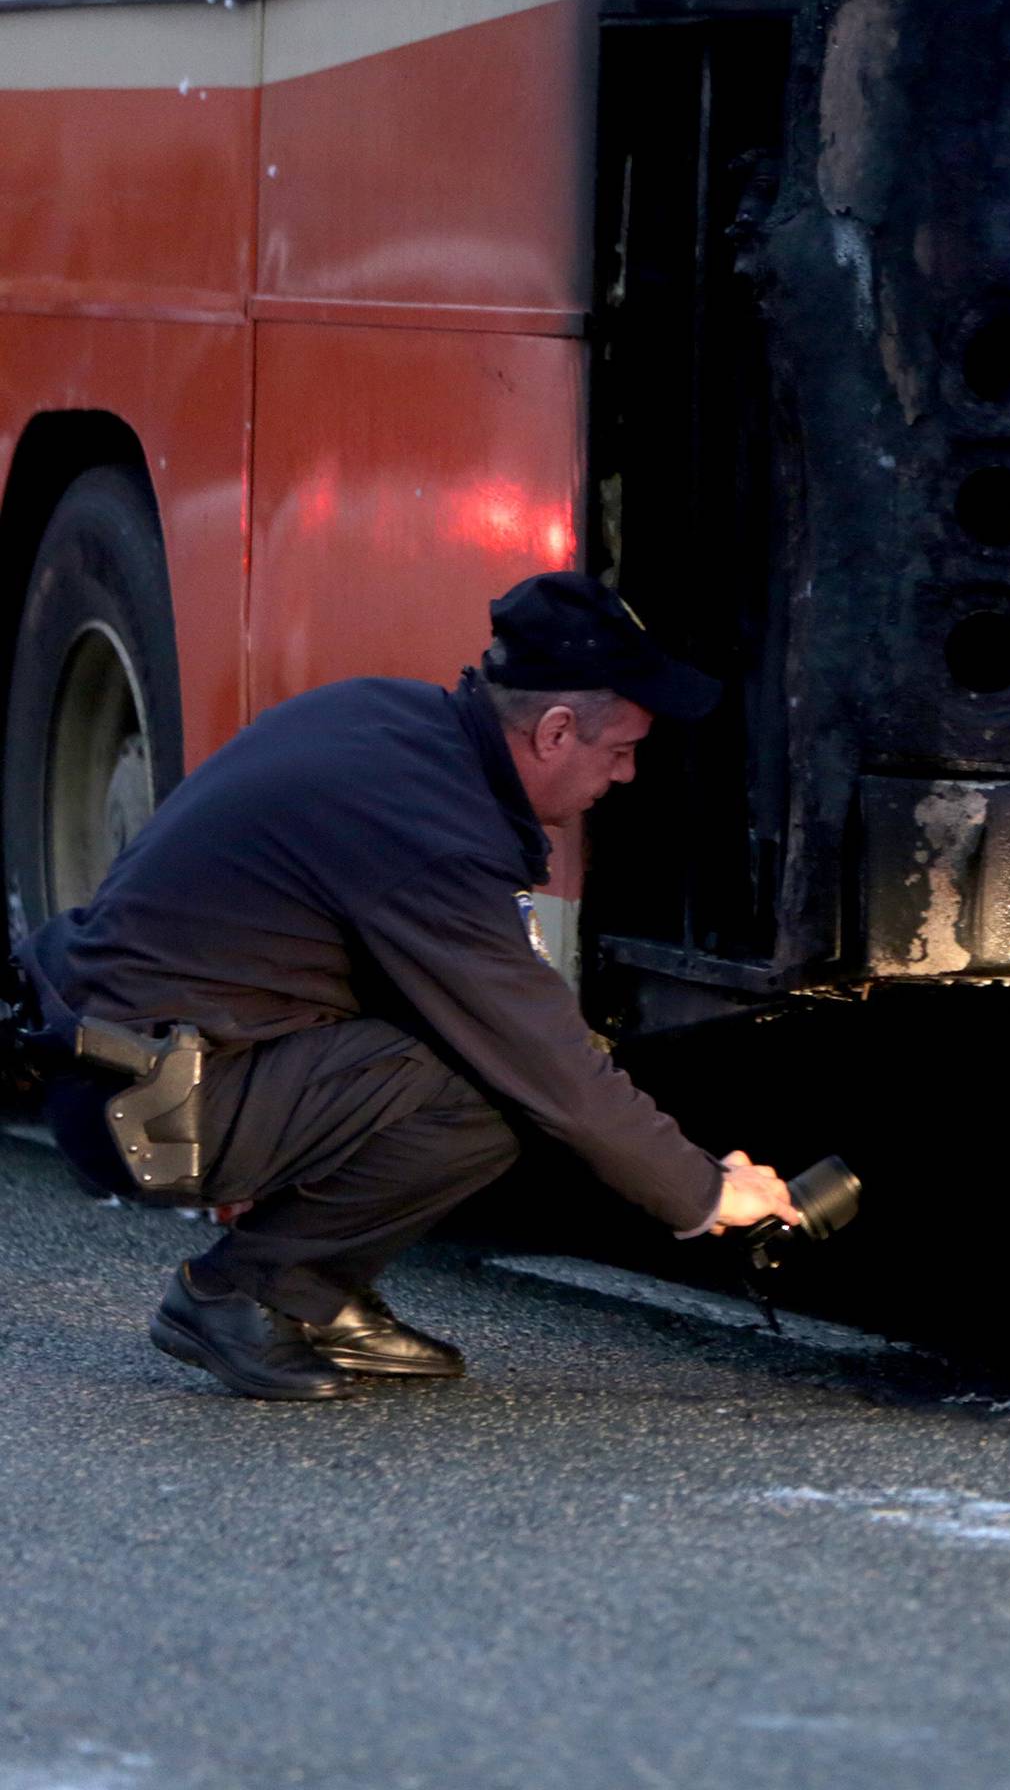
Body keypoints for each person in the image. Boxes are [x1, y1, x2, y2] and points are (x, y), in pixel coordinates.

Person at [19, 571, 800, 1401]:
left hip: (136, 1057)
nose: (630, 775)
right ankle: (243, 1293)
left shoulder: (391, 721)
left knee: (480, 1055)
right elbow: (547, 1061)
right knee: (496, 1087)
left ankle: (313, 1294)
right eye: (621, 751)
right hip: (147, 1098)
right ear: (557, 730)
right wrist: (707, 1193)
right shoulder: (435, 835)